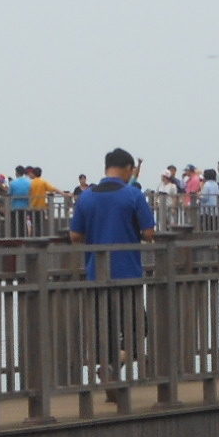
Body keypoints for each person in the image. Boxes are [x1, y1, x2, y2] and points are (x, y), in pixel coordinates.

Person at [71, 148, 157, 369]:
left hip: (96, 272)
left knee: (105, 328)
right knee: (138, 327)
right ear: (128, 169)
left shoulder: (86, 196)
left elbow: (75, 236)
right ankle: (116, 363)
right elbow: (149, 233)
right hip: (127, 272)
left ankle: (110, 368)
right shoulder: (133, 195)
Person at [28, 165, 56, 233]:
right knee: (40, 225)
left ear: (33, 173)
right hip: (41, 208)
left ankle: (34, 237)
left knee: (33, 225)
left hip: (32, 207)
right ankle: (40, 236)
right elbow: (53, 189)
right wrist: (63, 193)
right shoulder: (43, 182)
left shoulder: (31, 183)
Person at [7, 165, 33, 236]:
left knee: (14, 224)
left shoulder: (13, 183)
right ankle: (24, 237)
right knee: (24, 223)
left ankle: (14, 238)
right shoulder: (29, 182)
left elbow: (10, 194)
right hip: (26, 206)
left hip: (15, 207)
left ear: (17, 173)